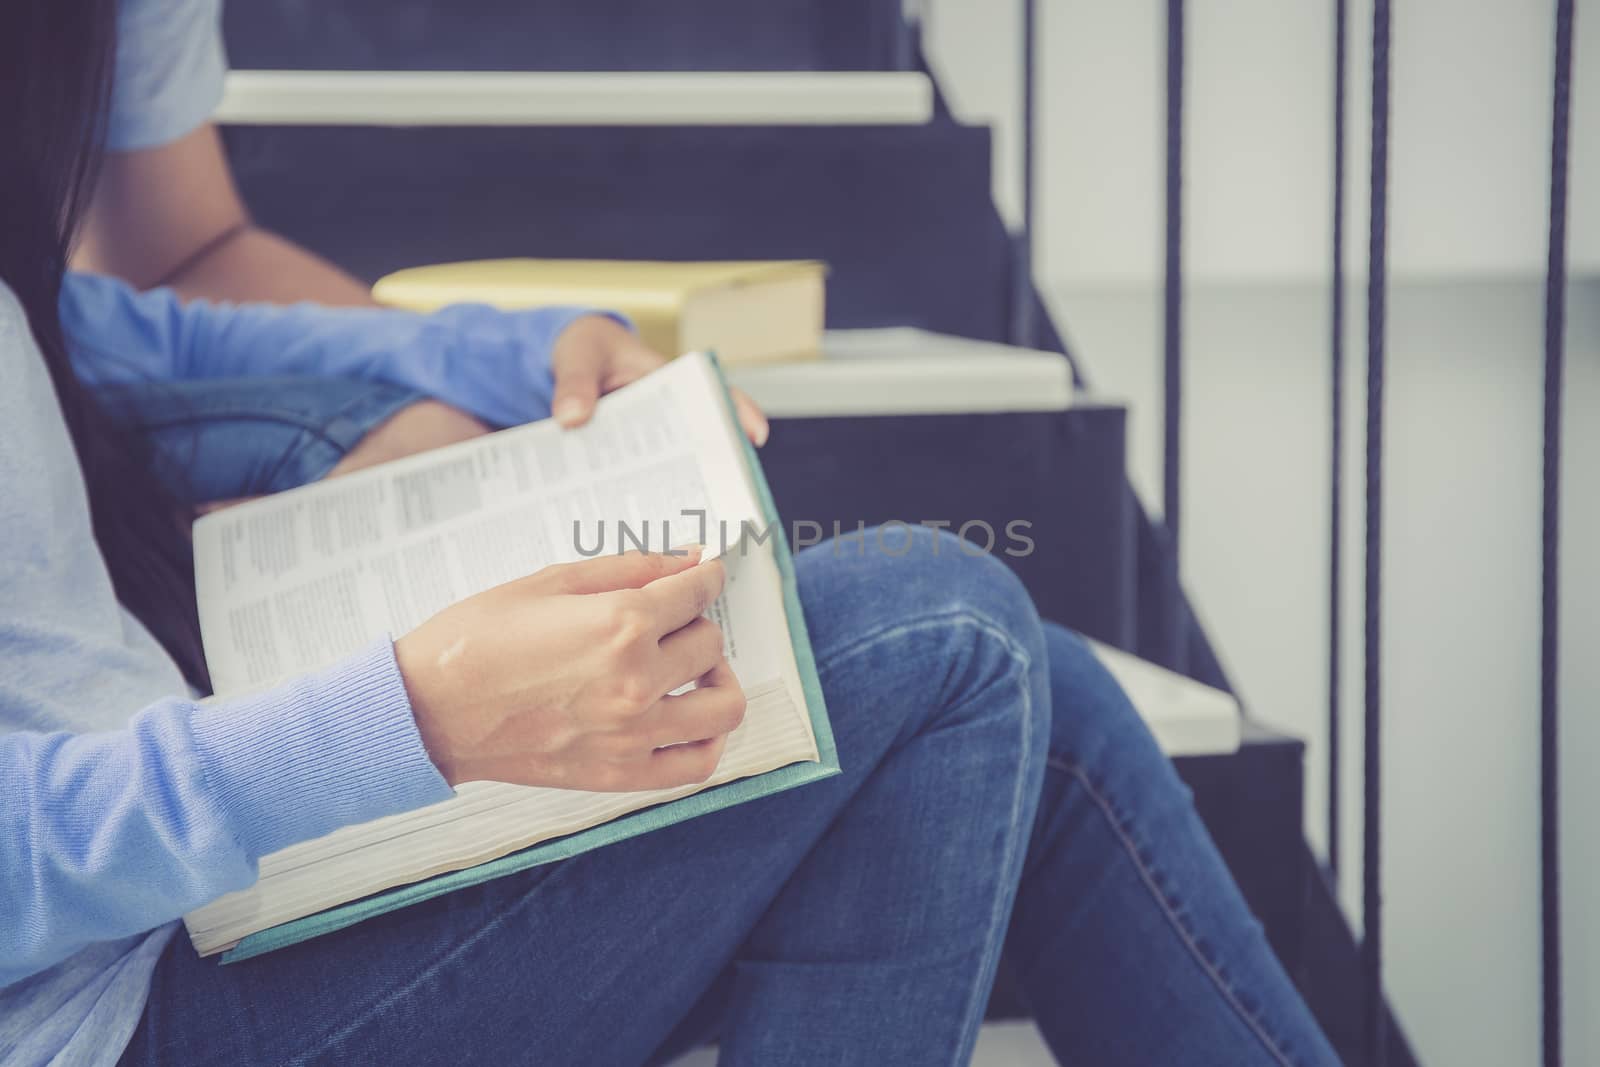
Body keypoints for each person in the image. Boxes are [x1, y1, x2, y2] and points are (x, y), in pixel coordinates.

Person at [1, 1, 1342, 1064]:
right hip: (118, 1007)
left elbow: (93, 323)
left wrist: (498, 354)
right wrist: (413, 716)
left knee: (1035, 690)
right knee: (950, 635)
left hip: (183, 894)